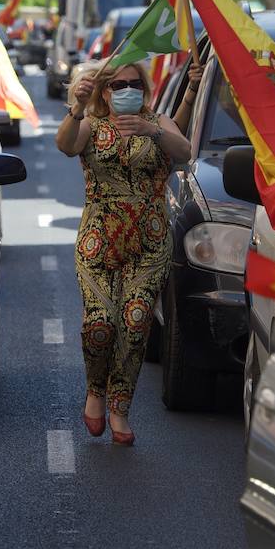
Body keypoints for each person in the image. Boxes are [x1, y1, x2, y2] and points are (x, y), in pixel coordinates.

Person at [56, 59, 192, 445]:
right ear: (103, 90)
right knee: (100, 324)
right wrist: (76, 108)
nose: (126, 90)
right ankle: (95, 390)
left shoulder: (158, 122)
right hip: (99, 239)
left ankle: (120, 407)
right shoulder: (90, 125)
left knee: (134, 325)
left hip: (149, 243)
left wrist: (152, 131)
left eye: (133, 83)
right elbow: (65, 144)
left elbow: (185, 151)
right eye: (116, 85)